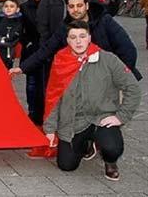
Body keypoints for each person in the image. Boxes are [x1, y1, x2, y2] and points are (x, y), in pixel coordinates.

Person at [43, 20, 141, 180]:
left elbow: (133, 88)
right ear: (67, 40)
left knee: (112, 147)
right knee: (66, 165)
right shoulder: (60, 60)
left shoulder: (108, 59)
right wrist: (49, 129)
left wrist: (120, 116)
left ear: (89, 37)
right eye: (73, 37)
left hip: (101, 118)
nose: (78, 41)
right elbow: (54, 97)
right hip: (75, 121)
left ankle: (110, 161)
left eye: (82, 36)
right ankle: (86, 145)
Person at [10, 0, 143, 81]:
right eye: (72, 6)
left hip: (110, 76)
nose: (76, 9)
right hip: (82, 79)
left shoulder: (104, 21)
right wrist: (22, 68)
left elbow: (127, 50)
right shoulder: (64, 28)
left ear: (86, 6)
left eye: (79, 5)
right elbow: (46, 50)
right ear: (68, 8)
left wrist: (120, 76)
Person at [19, 0, 53, 125]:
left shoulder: (52, 6)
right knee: (31, 84)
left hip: (49, 50)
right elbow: (21, 29)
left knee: (46, 84)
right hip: (33, 50)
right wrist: (27, 42)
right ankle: (33, 113)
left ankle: (47, 113)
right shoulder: (25, 7)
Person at [0, 0, 23, 68]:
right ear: (2, 8)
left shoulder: (18, 23)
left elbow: (10, 41)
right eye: (6, 6)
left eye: (12, 6)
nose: (8, 8)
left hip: (7, 59)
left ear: (17, 9)